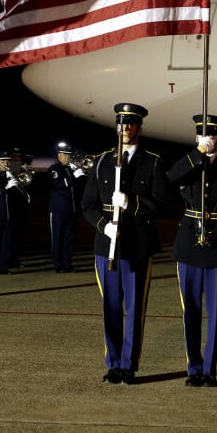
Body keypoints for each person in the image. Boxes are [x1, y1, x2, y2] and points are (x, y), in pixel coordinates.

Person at [81, 102, 170, 385]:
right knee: (110, 308)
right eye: (121, 123)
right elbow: (88, 204)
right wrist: (104, 225)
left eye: (131, 123)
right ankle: (114, 363)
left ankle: (129, 365)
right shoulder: (102, 161)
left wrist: (132, 204)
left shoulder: (152, 161)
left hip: (138, 246)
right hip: (106, 245)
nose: (126, 128)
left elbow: (163, 204)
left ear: (140, 128)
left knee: (134, 308)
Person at [166, 114, 217, 387]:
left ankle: (210, 369)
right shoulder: (190, 165)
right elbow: (170, 177)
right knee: (190, 311)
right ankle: (193, 368)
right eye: (203, 136)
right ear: (197, 138)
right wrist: (197, 153)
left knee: (216, 313)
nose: (209, 140)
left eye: (212, 136)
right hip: (189, 247)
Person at [48, 142, 87, 273]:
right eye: (66, 155)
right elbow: (59, 184)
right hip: (58, 210)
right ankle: (58, 266)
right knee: (57, 238)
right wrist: (73, 176)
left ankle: (67, 264)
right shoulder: (54, 168)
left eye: (69, 155)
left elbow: (81, 185)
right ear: (59, 155)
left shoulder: (71, 168)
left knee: (68, 239)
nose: (69, 158)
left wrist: (81, 173)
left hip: (71, 209)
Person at [0, 149, 22, 275]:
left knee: (5, 241)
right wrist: (6, 186)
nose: (6, 164)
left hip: (8, 213)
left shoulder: (8, 173)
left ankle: (3, 267)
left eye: (7, 161)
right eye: (3, 161)